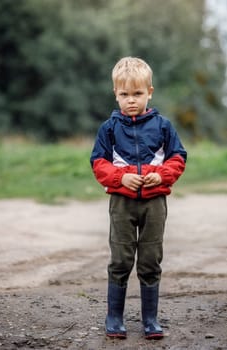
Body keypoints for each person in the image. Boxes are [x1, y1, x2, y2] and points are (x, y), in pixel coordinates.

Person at [90, 57, 187, 340]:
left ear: (150, 92)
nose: (131, 100)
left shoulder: (164, 126)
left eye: (137, 94)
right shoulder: (108, 128)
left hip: (154, 203)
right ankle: (114, 317)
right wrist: (120, 178)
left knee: (150, 259)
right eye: (124, 95)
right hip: (122, 203)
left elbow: (178, 156)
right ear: (115, 94)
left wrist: (163, 176)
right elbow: (98, 162)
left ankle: (150, 320)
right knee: (120, 258)